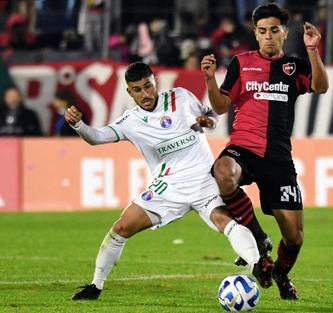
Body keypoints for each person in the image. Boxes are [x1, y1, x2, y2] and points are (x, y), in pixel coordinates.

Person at [68, 62, 264, 300]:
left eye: (148, 86)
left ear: (155, 82)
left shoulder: (181, 97)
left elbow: (212, 115)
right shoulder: (130, 121)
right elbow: (96, 138)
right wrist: (79, 125)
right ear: (129, 92)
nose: (145, 94)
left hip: (203, 178)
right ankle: (95, 286)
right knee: (121, 228)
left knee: (225, 221)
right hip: (167, 188)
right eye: (137, 89)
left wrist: (208, 122)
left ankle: (258, 265)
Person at [201, 3, 328, 300]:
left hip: (279, 159)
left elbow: (320, 87)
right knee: (222, 172)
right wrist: (209, 79)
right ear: (255, 34)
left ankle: (279, 273)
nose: (268, 36)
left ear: (285, 32)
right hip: (244, 148)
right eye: (262, 31)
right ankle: (259, 240)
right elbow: (221, 106)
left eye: (274, 30)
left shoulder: (294, 66)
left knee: (294, 239)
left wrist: (312, 50)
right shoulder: (241, 62)